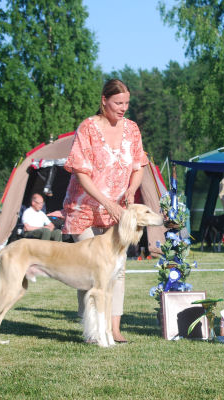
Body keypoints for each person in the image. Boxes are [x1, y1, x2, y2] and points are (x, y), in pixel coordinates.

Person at [62, 79, 148, 344]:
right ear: (104, 101)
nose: (123, 108)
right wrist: (106, 202)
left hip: (116, 213)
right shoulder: (88, 127)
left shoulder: (132, 129)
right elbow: (80, 172)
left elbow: (139, 165)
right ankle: (93, 330)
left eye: (126, 104)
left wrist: (131, 190)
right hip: (84, 209)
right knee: (91, 269)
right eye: (118, 103)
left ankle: (114, 328)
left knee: (117, 269)